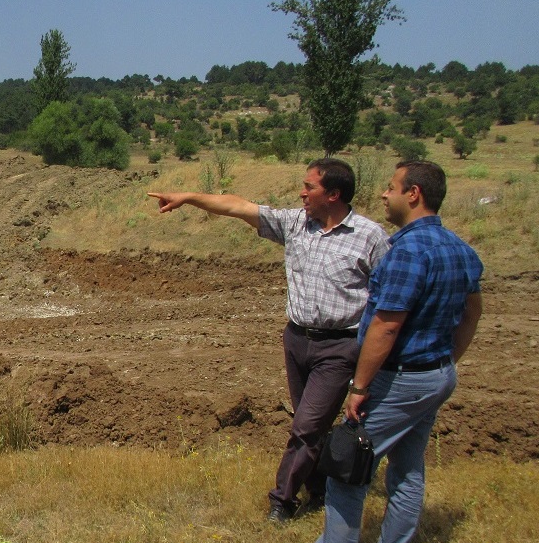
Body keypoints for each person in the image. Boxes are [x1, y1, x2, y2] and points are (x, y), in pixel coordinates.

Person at [149, 158, 388, 522]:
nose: (301, 192)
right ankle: (320, 491)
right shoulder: (295, 224)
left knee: (306, 427)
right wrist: (188, 197)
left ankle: (283, 500)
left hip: (340, 347)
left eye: (310, 187)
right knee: (312, 426)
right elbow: (237, 206)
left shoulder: (371, 237)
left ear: (334, 194)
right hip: (297, 340)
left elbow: (389, 298)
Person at [297, 160, 483, 543]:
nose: (383, 194)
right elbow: (472, 314)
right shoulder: (460, 249)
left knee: (348, 467)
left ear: (414, 194)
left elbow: (386, 325)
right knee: (407, 470)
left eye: (391, 187)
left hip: (399, 380)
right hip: (436, 375)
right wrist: (446, 361)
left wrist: (360, 388)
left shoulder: (407, 252)